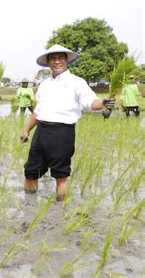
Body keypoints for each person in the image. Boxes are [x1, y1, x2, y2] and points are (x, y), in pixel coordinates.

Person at [20, 44, 115, 201]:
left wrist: (103, 103)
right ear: (48, 62)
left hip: (62, 133)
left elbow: (90, 101)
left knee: (60, 174)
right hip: (41, 132)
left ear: (66, 60)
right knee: (30, 172)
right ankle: (29, 208)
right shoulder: (44, 84)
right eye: (53, 58)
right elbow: (38, 111)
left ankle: (60, 213)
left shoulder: (76, 82)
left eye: (60, 58)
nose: (57, 61)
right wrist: (26, 130)